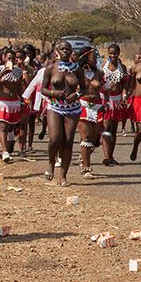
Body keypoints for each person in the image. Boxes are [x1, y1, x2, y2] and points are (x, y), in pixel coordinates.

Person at [41, 40, 82, 186]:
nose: (65, 51)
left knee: (68, 140)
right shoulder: (51, 68)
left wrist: (76, 95)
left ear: (71, 52)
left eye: (68, 49)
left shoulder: (77, 69)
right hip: (55, 107)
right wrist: (53, 93)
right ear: (57, 51)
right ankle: (51, 163)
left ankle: (63, 176)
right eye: (62, 49)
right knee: (54, 139)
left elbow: (83, 88)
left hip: (72, 109)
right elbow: (42, 89)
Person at [0, 48, 28, 161]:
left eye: (13, 59)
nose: (11, 60)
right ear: (4, 58)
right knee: (2, 126)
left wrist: (23, 99)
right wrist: (2, 73)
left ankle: (7, 148)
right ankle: (3, 151)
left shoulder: (18, 71)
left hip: (14, 103)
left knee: (11, 128)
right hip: (2, 102)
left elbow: (19, 88)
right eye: (8, 58)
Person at [75, 48, 106, 179]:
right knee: (86, 137)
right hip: (83, 105)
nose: (95, 59)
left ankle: (83, 156)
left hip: (97, 106)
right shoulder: (77, 72)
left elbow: (104, 89)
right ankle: (86, 169)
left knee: (94, 141)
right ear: (85, 58)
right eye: (93, 57)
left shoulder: (98, 73)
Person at [100, 43, 130, 165]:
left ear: (119, 53)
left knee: (114, 129)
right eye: (111, 53)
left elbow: (124, 85)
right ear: (108, 53)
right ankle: (106, 156)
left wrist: (124, 96)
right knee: (106, 127)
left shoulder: (122, 67)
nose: (113, 55)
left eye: (115, 53)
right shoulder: (103, 67)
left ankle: (111, 156)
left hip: (118, 101)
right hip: (106, 100)